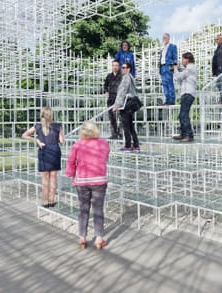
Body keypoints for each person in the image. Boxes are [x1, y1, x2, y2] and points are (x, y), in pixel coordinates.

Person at [65, 121, 110, 249]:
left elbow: (71, 161)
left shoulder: (78, 145)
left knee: (83, 209)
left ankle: (82, 238)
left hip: (82, 181)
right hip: (99, 180)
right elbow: (105, 157)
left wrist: (70, 173)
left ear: (83, 132)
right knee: (98, 209)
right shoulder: (104, 144)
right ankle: (99, 239)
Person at [22, 107, 64, 207]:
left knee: (45, 179)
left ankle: (45, 201)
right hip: (54, 151)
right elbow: (62, 141)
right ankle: (51, 201)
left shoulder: (38, 126)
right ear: (51, 115)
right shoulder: (58, 126)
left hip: (43, 151)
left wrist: (37, 141)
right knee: (53, 178)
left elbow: (24, 135)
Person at [113, 61, 140, 152]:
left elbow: (122, 92)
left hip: (126, 104)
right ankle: (136, 145)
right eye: (122, 67)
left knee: (126, 126)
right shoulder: (131, 77)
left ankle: (128, 145)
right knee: (130, 125)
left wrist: (117, 105)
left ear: (129, 69)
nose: (123, 69)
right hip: (131, 104)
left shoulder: (126, 77)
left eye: (124, 68)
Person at [173, 52, 197, 142]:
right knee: (182, 115)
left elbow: (180, 76)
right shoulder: (188, 68)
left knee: (184, 115)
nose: (182, 61)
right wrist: (176, 72)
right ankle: (183, 134)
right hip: (185, 93)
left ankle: (188, 135)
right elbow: (179, 80)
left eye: (183, 59)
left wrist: (176, 70)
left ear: (188, 59)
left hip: (188, 93)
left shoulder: (191, 67)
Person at [103, 60, 122, 139]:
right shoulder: (109, 76)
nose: (115, 67)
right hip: (111, 99)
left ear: (119, 66)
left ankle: (121, 133)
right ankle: (114, 134)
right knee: (112, 117)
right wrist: (106, 91)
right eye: (113, 65)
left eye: (116, 65)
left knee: (121, 117)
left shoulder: (122, 76)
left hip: (119, 98)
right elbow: (105, 86)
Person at [159, 32, 178, 105]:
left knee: (169, 83)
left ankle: (172, 100)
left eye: (165, 38)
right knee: (164, 84)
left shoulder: (172, 46)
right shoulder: (163, 48)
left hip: (168, 66)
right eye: (163, 38)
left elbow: (175, 57)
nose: (164, 39)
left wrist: (174, 66)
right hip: (162, 67)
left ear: (168, 38)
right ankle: (167, 99)